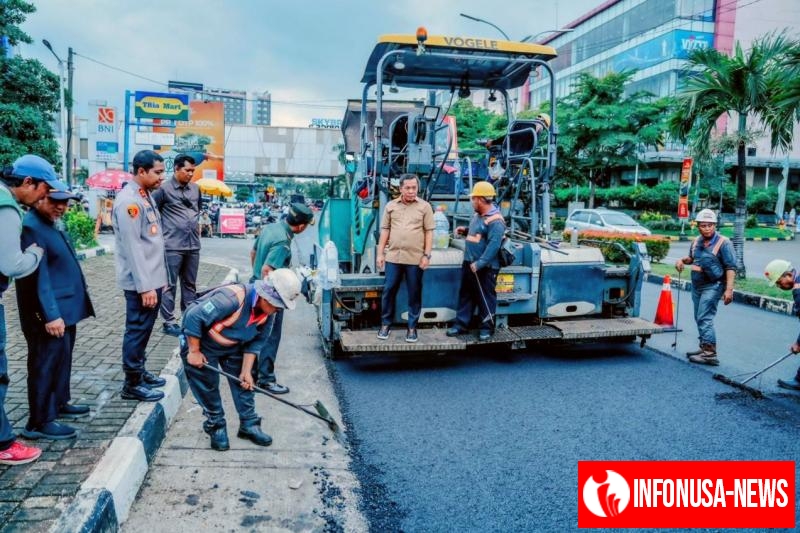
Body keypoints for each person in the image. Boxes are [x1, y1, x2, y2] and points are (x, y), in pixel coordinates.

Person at [181, 268, 302, 451]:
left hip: (233, 345)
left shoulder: (269, 313)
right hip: (203, 344)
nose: (279, 309)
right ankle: (217, 426)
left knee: (245, 383)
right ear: (266, 295)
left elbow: (256, 343)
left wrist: (246, 371)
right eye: (278, 304)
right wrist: (194, 351)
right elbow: (193, 317)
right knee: (208, 385)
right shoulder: (231, 298)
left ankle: (248, 424)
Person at [0, 155, 67, 464]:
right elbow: (13, 265)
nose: (45, 196)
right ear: (27, 183)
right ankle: (4, 443)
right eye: (42, 189)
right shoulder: (8, 206)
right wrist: (35, 254)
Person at [17, 189, 95, 440]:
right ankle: (39, 421)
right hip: (49, 313)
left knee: (61, 359)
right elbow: (38, 277)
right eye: (55, 202)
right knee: (45, 363)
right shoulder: (32, 226)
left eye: (64, 203)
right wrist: (50, 315)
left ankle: (59, 403)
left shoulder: (50, 222)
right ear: (40, 197)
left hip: (65, 308)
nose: (61, 207)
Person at [112, 150, 169, 402]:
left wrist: (161, 281)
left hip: (152, 279)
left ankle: (140, 371)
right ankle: (132, 383)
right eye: (157, 172)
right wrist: (146, 287)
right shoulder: (129, 202)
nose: (161, 177)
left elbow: (153, 242)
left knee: (145, 330)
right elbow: (134, 248)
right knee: (136, 329)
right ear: (141, 171)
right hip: (140, 283)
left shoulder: (145, 196)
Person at [250, 202, 314, 393]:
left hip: (255, 286)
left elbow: (253, 253)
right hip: (269, 295)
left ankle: (252, 374)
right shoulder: (283, 243)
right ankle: (266, 380)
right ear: (301, 226)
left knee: (255, 334)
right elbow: (267, 270)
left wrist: (256, 280)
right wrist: (271, 297)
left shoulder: (271, 228)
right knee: (270, 336)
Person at [376, 174, 435, 343]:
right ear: (401, 188)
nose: (411, 191)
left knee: (414, 293)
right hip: (393, 257)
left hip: (415, 259)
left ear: (418, 188)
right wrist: (380, 254)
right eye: (407, 188)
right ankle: (385, 324)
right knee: (389, 290)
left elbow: (429, 232)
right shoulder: (391, 206)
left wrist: (426, 255)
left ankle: (412, 328)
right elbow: (385, 231)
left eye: (414, 188)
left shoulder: (424, 207)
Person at [674, 208, 736, 366]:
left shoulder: (724, 243)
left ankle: (709, 354)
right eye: (704, 225)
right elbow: (692, 258)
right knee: (699, 317)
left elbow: (730, 267)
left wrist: (729, 290)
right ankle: (704, 347)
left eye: (710, 225)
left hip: (714, 286)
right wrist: (681, 261)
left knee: (704, 317)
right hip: (697, 286)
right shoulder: (696, 241)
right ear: (698, 226)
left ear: (715, 226)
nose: (707, 228)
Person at [445, 181, 505, 341]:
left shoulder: (496, 221)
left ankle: (487, 328)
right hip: (469, 263)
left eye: (473, 198)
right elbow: (478, 235)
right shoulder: (478, 215)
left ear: (479, 199)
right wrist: (464, 230)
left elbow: (493, 247)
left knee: (485, 298)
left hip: (485, 267)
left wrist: (479, 264)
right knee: (466, 295)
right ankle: (461, 325)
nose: (471, 201)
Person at [151, 154, 201, 337]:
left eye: (192, 171)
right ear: (177, 169)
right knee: (169, 285)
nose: (190, 174)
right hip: (171, 245)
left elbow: (197, 210)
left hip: (193, 245)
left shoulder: (196, 189)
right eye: (187, 170)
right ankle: (169, 322)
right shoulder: (163, 190)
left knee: (190, 284)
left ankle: (189, 319)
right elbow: (151, 213)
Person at [763, 259, 800, 391]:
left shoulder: (798, 289)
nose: (779, 286)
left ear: (788, 275)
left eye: (779, 282)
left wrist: (798, 343)